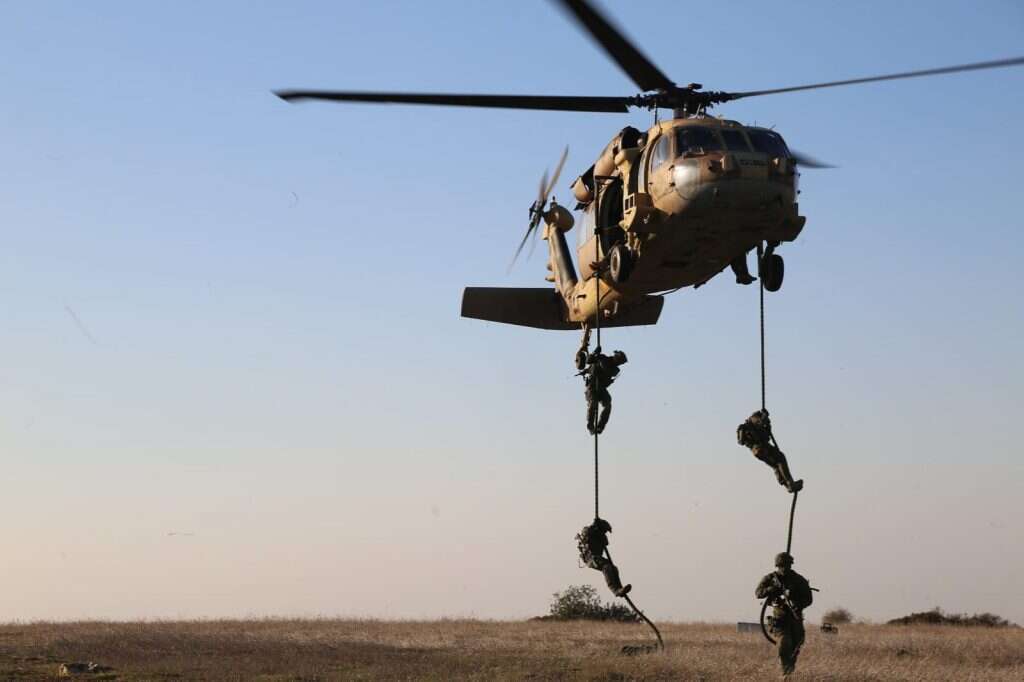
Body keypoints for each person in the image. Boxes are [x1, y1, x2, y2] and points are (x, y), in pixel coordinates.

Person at [755, 552, 814, 677]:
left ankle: (789, 669)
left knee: (796, 645)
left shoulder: (798, 580)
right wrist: (772, 589)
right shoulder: (771, 578)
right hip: (780, 620)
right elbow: (758, 593)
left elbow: (808, 599)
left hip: (795, 618)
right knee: (784, 644)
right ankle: (785, 672)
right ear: (777, 565)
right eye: (782, 565)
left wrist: (798, 603)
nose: (784, 568)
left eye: (787, 565)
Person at [737, 409, 803, 493]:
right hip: (762, 447)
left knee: (775, 465)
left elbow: (766, 435)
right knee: (780, 459)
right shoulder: (754, 418)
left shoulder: (748, 426)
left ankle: (787, 486)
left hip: (756, 452)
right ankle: (791, 484)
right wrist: (764, 416)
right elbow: (760, 422)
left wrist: (767, 424)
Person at [576, 518, 631, 597]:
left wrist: (599, 534)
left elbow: (606, 542)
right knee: (606, 567)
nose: (605, 532)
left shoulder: (601, 535)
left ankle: (619, 588)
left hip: (597, 557)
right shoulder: (588, 530)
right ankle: (615, 590)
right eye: (605, 530)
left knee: (614, 568)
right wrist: (595, 527)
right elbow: (587, 532)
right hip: (590, 558)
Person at [584, 347, 627, 435]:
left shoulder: (616, 369)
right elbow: (588, 361)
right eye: (619, 360)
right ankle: (591, 426)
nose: (619, 363)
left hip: (601, 388)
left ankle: (600, 426)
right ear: (615, 357)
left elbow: (607, 370)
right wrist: (594, 353)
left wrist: (600, 360)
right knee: (593, 402)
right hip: (592, 386)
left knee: (608, 404)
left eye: (621, 362)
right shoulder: (603, 357)